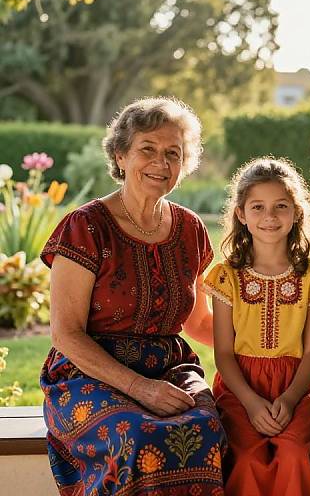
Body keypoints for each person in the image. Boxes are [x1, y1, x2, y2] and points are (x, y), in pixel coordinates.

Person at [40, 97, 226, 496]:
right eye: (148, 150)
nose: (161, 163)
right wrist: (140, 388)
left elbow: (199, 324)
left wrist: (272, 343)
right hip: (88, 375)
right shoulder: (85, 226)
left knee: (208, 429)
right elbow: (66, 335)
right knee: (140, 440)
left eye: (173, 154)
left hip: (169, 368)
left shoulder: (191, 229)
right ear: (121, 155)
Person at [203, 158, 310, 496]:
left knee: (293, 453)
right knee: (246, 457)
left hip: (298, 385)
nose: (270, 217)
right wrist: (249, 401)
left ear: (296, 213)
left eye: (281, 206)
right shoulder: (226, 276)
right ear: (241, 214)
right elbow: (223, 353)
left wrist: (290, 399)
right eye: (257, 207)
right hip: (240, 387)